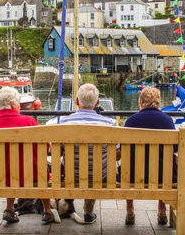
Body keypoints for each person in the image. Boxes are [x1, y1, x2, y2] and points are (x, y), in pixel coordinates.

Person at [0, 87, 59, 224]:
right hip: (31, 175)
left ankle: (9, 209)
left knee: (9, 166)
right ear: (14, 105)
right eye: (19, 103)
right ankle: (47, 211)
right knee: (40, 171)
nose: (20, 106)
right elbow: (45, 148)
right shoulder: (30, 123)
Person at [60, 83, 117, 224]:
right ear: (97, 102)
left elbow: (60, 151)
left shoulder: (63, 122)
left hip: (71, 176)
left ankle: (66, 203)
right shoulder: (110, 123)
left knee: (70, 162)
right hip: (100, 176)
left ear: (77, 102)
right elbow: (117, 152)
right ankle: (88, 211)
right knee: (96, 165)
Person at [124, 87, 176, 226]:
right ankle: (162, 209)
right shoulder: (168, 121)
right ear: (159, 103)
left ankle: (130, 210)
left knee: (129, 165)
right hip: (163, 177)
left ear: (141, 102)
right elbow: (175, 149)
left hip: (133, 176)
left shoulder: (131, 121)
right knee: (163, 165)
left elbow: (123, 150)